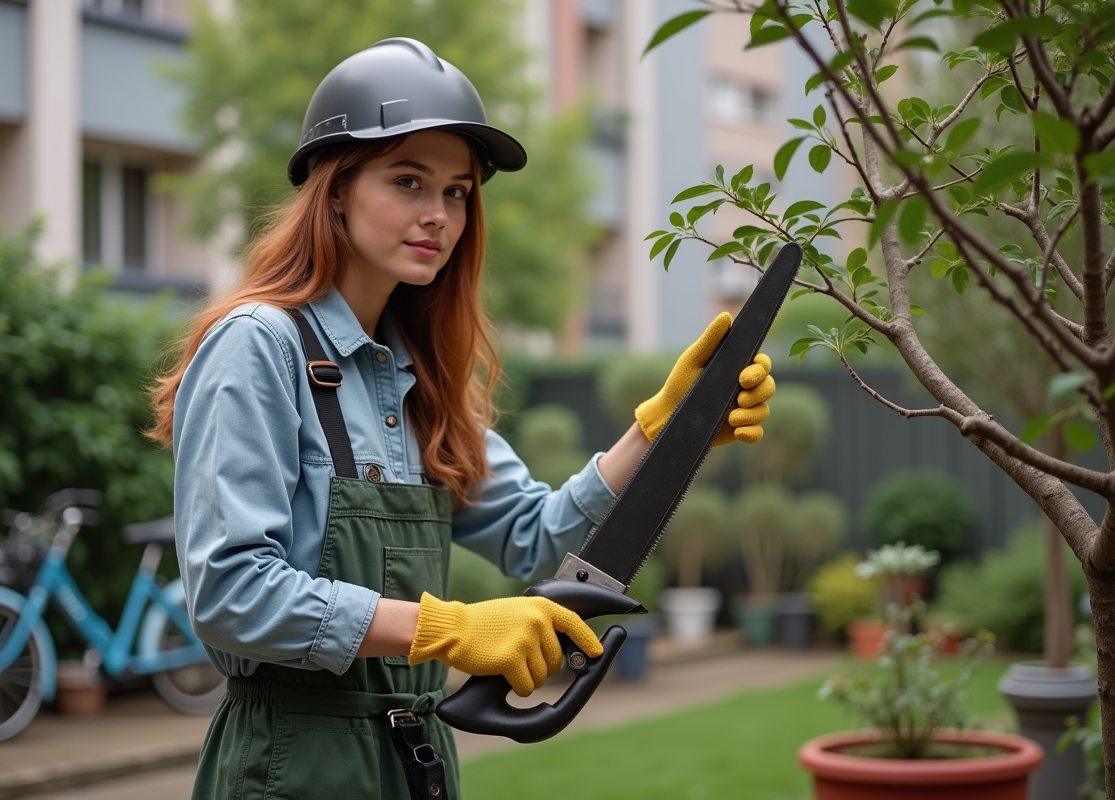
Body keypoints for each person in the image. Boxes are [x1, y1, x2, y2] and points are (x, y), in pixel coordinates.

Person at [148, 37, 775, 800]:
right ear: (336, 188)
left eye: (456, 191)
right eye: (408, 181)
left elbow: (537, 537)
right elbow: (230, 594)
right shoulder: (259, 347)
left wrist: (661, 434)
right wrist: (449, 630)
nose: (438, 214)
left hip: (416, 762)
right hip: (293, 764)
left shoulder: (418, 373)